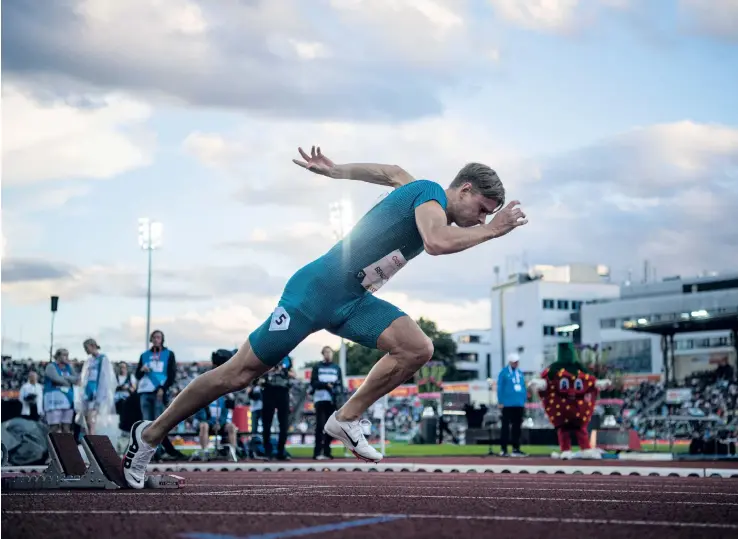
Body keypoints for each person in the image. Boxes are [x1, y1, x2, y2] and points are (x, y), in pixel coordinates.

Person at [123, 146, 527, 488]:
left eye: (489, 217)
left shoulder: (417, 189)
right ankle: (150, 434)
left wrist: (336, 171)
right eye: (483, 210)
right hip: (312, 294)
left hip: (353, 300)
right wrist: (495, 232)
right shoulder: (429, 193)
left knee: (417, 348)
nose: (482, 220)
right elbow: (436, 242)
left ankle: (347, 418)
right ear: (466, 189)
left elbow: (389, 172)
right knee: (238, 374)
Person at [310, 346, 344, 460]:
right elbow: (313, 383)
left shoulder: (337, 368)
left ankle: (327, 451)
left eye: (330, 352)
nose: (328, 354)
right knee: (320, 426)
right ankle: (317, 452)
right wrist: (326, 385)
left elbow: (341, 385)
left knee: (331, 427)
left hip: (332, 400)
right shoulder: (317, 367)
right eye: (326, 352)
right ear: (323, 354)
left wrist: (340, 398)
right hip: (320, 399)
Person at [261, 356, 295, 461]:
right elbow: (258, 374)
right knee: (267, 423)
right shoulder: (267, 355)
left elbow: (293, 374)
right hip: (269, 390)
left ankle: (281, 451)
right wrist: (271, 369)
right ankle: (267, 451)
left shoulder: (287, 359)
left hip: (283, 391)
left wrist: (283, 370)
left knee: (284, 423)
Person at [496, 353, 527, 457]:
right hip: (507, 404)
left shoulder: (520, 373)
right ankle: (503, 449)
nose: (516, 363)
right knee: (505, 427)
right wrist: (500, 401)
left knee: (517, 427)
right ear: (510, 362)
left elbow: (523, 387)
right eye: (514, 362)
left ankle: (516, 448)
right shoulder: (504, 373)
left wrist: (524, 400)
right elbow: (500, 388)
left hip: (519, 403)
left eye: (517, 361)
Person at [43, 348, 79, 434]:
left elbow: (76, 379)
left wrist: (66, 377)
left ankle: (66, 447)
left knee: (66, 427)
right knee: (54, 427)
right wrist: (69, 380)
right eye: (64, 355)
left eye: (67, 355)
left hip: (67, 399)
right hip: (53, 400)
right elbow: (57, 379)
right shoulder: (51, 366)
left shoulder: (69, 367)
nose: (67, 357)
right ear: (58, 356)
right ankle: (51, 446)